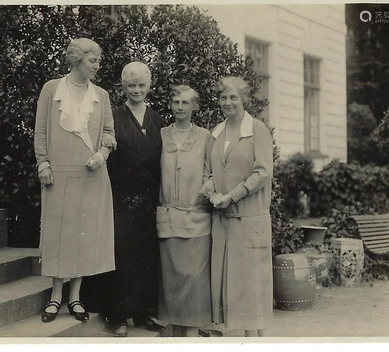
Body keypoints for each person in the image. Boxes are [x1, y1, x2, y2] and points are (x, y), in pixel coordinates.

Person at [34, 38, 116, 323]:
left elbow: (108, 134)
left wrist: (102, 154)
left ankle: (75, 298)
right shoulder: (51, 89)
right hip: (58, 174)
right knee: (59, 234)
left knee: (83, 235)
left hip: (90, 175)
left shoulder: (101, 96)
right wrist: (42, 162)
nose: (97, 65)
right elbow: (41, 130)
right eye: (93, 60)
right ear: (77, 59)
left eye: (98, 60)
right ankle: (55, 297)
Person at [81, 62, 166, 337]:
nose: (137, 90)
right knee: (121, 254)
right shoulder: (114, 116)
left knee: (145, 255)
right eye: (131, 85)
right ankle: (117, 315)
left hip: (150, 198)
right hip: (120, 197)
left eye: (141, 85)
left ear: (149, 86)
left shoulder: (158, 120)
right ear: (123, 87)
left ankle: (142, 313)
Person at [208, 76, 274, 337]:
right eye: (223, 97)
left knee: (253, 290)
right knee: (236, 291)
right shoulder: (217, 132)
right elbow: (211, 171)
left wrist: (232, 195)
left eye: (233, 97)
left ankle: (259, 342)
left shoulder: (257, 129)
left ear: (244, 100)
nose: (227, 102)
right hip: (224, 221)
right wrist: (211, 189)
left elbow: (262, 173)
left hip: (249, 220)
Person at [156, 85, 214, 337]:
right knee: (173, 280)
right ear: (170, 105)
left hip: (197, 217)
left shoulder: (205, 137)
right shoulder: (161, 135)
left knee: (194, 279)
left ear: (195, 107)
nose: (180, 107)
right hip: (168, 218)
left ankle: (190, 338)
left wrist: (209, 181)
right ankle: (179, 336)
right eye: (176, 102)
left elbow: (213, 171)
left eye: (185, 103)